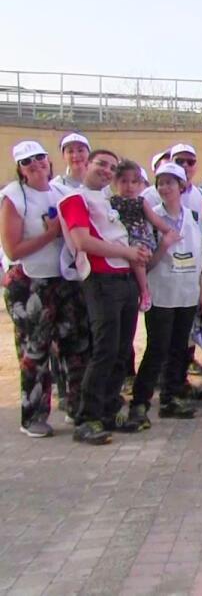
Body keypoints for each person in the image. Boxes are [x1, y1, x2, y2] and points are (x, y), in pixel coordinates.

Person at [59, 149, 151, 444]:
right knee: (104, 350)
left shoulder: (106, 201)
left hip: (124, 280)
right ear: (86, 164)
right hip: (101, 280)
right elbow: (82, 240)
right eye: (102, 164)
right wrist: (127, 252)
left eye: (112, 167)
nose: (107, 171)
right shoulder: (75, 198)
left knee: (121, 351)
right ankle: (87, 418)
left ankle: (109, 410)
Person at [2, 140, 89, 437]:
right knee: (35, 350)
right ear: (20, 169)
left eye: (40, 158)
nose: (36, 164)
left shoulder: (62, 191)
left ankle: (77, 407)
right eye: (28, 162)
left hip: (64, 279)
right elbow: (13, 249)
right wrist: (51, 233)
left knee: (75, 344)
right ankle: (33, 416)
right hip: (30, 283)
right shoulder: (14, 197)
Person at [130, 163, 202, 424]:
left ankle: (171, 398)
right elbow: (145, 263)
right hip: (162, 293)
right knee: (157, 348)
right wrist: (163, 246)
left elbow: (199, 260)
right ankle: (140, 401)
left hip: (186, 294)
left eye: (170, 182)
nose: (164, 187)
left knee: (179, 348)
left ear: (182, 186)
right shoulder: (151, 219)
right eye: (160, 182)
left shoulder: (194, 218)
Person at [111, 160, 179, 313]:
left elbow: (155, 219)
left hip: (137, 236)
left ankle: (144, 290)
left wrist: (169, 231)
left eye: (134, 182)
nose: (129, 186)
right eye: (124, 181)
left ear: (140, 183)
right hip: (119, 237)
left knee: (138, 257)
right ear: (116, 182)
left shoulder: (140, 202)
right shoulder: (113, 201)